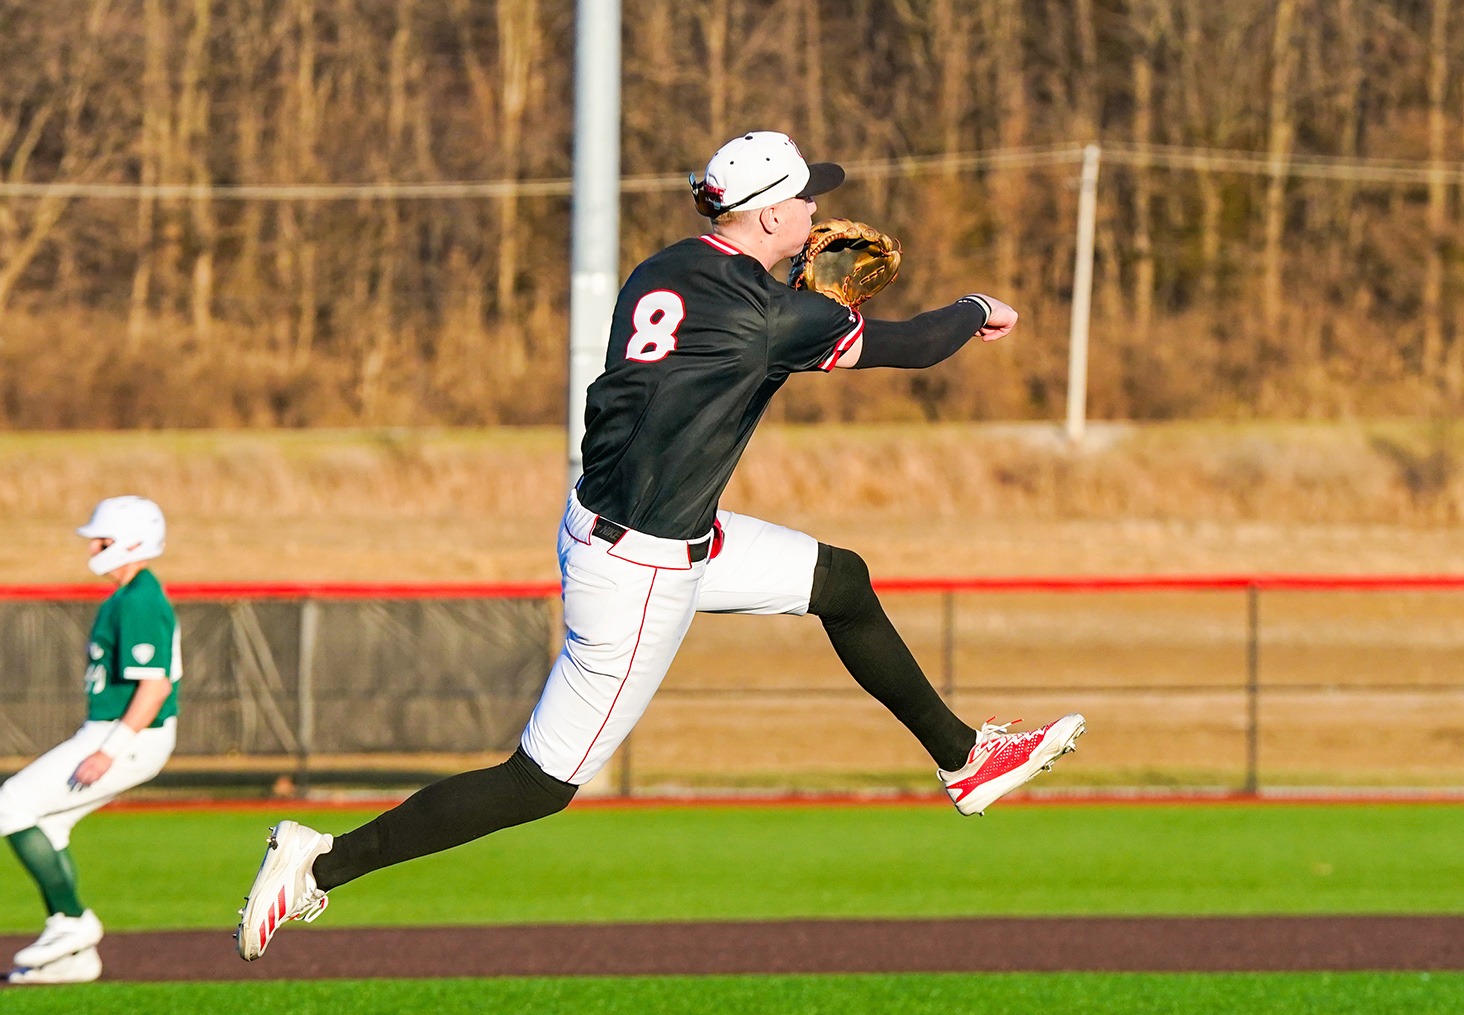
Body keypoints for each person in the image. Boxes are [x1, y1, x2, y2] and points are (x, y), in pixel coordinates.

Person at [237, 131, 1084, 960]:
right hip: (641, 568)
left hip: (636, 522)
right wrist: (978, 308)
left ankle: (965, 760)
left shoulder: (667, 266)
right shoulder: (769, 317)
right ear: (761, 218)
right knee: (539, 783)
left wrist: (798, 299)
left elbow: (721, 341)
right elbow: (916, 345)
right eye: (802, 197)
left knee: (839, 581)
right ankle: (321, 862)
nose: (818, 207)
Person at [3, 497, 180, 984]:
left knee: (10, 803)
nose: (93, 546)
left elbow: (155, 685)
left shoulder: (141, 599)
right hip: (112, 733)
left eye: (101, 538)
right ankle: (73, 957)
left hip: (127, 735)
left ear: (130, 542)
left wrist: (110, 749)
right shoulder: (127, 596)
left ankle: (72, 924)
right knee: (48, 825)